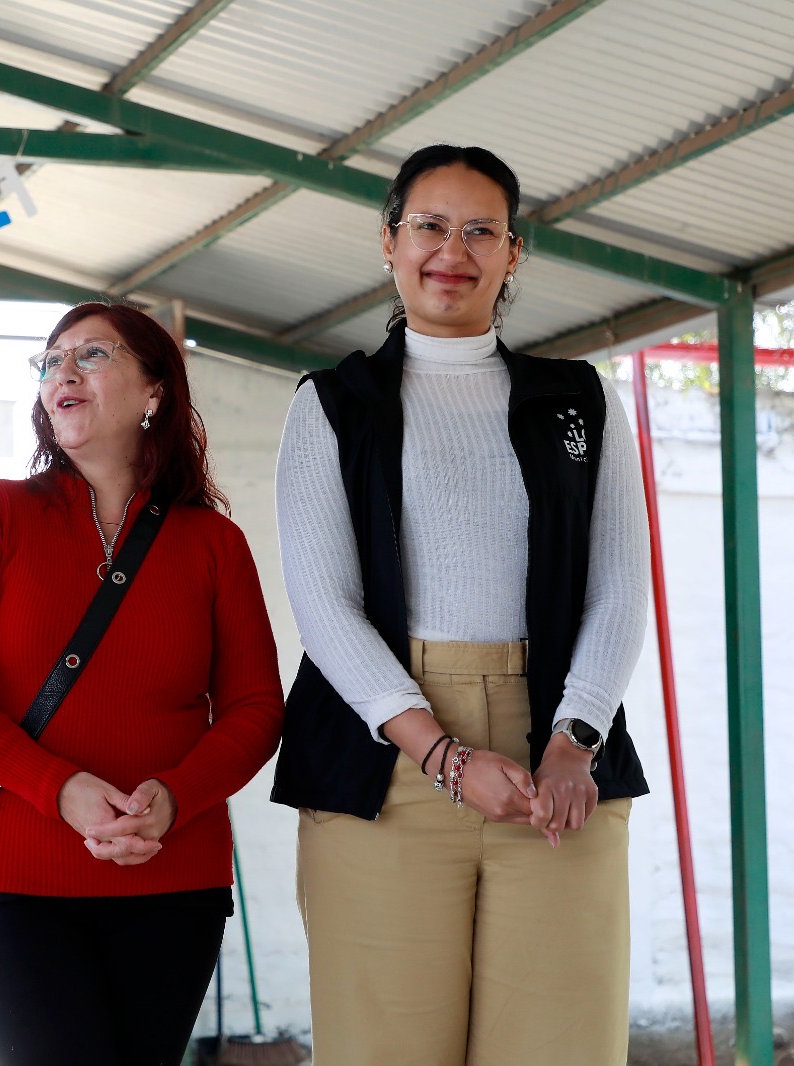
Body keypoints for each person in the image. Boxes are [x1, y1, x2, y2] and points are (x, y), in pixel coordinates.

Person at [271, 143, 651, 1065]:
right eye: (430, 226)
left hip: (558, 755)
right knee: (385, 1046)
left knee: (559, 1043)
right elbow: (324, 607)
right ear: (391, 244)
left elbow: (619, 587)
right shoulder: (332, 405)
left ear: (514, 253)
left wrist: (575, 743)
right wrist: (442, 755)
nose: (455, 249)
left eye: (482, 230)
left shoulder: (581, 404)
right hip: (385, 752)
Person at [0, 302, 285, 1066]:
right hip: (13, 878)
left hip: (174, 877)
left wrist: (172, 801)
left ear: (154, 392)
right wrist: (60, 786)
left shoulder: (215, 543)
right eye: (50, 362)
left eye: (92, 355)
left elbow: (254, 709)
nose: (62, 374)